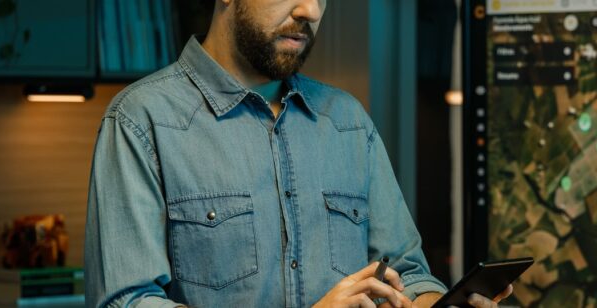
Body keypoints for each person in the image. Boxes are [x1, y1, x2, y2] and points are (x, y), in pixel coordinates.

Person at [84, 0, 512, 307]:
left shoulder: (347, 121)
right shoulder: (141, 121)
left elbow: (407, 274)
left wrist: (435, 303)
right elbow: (129, 301)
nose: (311, 10)